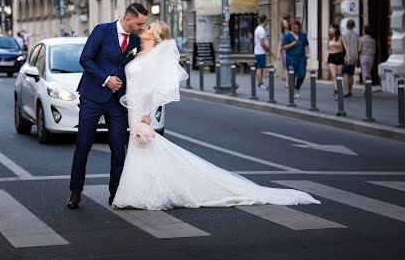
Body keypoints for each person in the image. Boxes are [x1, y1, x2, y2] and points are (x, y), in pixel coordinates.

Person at [112, 20, 319, 210]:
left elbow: (154, 88)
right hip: (133, 108)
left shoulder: (153, 58)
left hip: (142, 111)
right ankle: (143, 190)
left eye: (149, 28)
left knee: (143, 146)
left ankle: (141, 193)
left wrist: (148, 112)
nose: (145, 28)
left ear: (154, 37)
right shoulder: (138, 53)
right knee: (142, 147)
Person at [68, 3, 148, 209]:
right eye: (140, 23)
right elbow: (85, 59)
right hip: (93, 97)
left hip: (117, 102)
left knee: (118, 148)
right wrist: (106, 79)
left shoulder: (137, 40)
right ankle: (75, 192)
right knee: (83, 145)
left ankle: (116, 193)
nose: (142, 27)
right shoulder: (102, 31)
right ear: (128, 19)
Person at [282, 20, 310, 99]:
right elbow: (283, 47)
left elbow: (306, 45)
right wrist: (292, 44)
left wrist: (307, 53)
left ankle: (297, 87)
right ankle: (292, 91)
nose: (296, 30)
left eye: (297, 28)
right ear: (292, 28)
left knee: (302, 74)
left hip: (301, 58)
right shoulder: (287, 36)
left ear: (300, 28)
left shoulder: (303, 36)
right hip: (291, 58)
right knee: (292, 76)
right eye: (294, 28)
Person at [341, 19, 360, 97]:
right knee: (351, 74)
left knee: (345, 73)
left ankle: (347, 91)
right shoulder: (357, 34)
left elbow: (342, 46)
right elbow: (358, 46)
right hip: (354, 55)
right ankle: (350, 90)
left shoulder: (343, 34)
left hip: (346, 56)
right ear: (354, 25)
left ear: (346, 25)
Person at [326, 24, 344, 99]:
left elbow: (345, 48)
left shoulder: (341, 37)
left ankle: (339, 89)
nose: (329, 30)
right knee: (334, 75)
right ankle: (337, 91)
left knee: (339, 75)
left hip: (339, 56)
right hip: (331, 57)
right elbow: (327, 49)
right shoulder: (329, 38)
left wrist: (348, 56)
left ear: (335, 29)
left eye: (330, 28)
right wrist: (326, 58)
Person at [253, 15, 271, 90]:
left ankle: (260, 83)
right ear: (265, 20)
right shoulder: (261, 30)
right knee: (260, 68)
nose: (267, 21)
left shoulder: (258, 28)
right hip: (260, 51)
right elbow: (262, 43)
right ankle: (260, 84)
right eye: (267, 20)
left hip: (258, 51)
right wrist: (268, 49)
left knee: (260, 67)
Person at [279, 16, 291, 87]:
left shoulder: (291, 32)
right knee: (286, 67)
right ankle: (287, 83)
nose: (285, 24)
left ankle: (290, 81)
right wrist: (279, 54)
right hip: (285, 52)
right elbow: (280, 44)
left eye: (286, 22)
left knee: (292, 67)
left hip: (292, 52)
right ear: (282, 25)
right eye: (284, 23)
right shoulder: (282, 34)